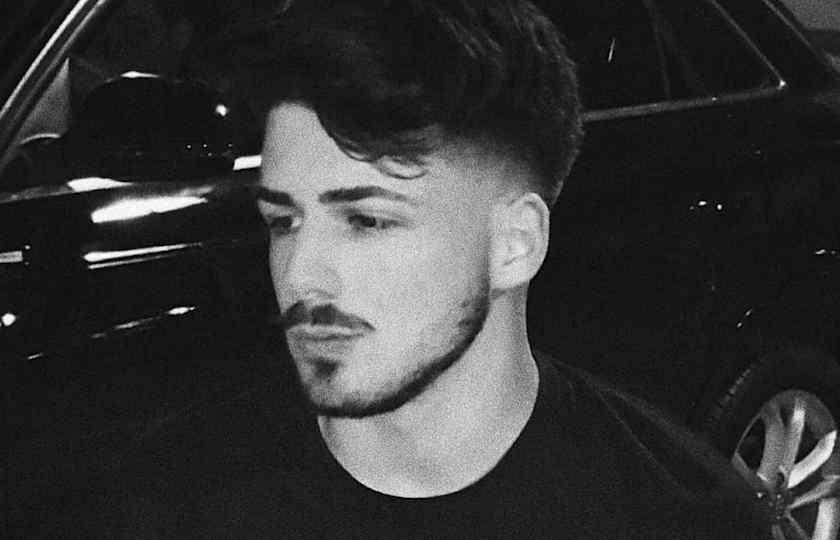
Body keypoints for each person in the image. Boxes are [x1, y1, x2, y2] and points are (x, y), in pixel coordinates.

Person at [17, 0, 771, 537]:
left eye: (367, 220)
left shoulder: (679, 519)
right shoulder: (168, 504)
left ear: (515, 243)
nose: (301, 274)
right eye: (283, 220)